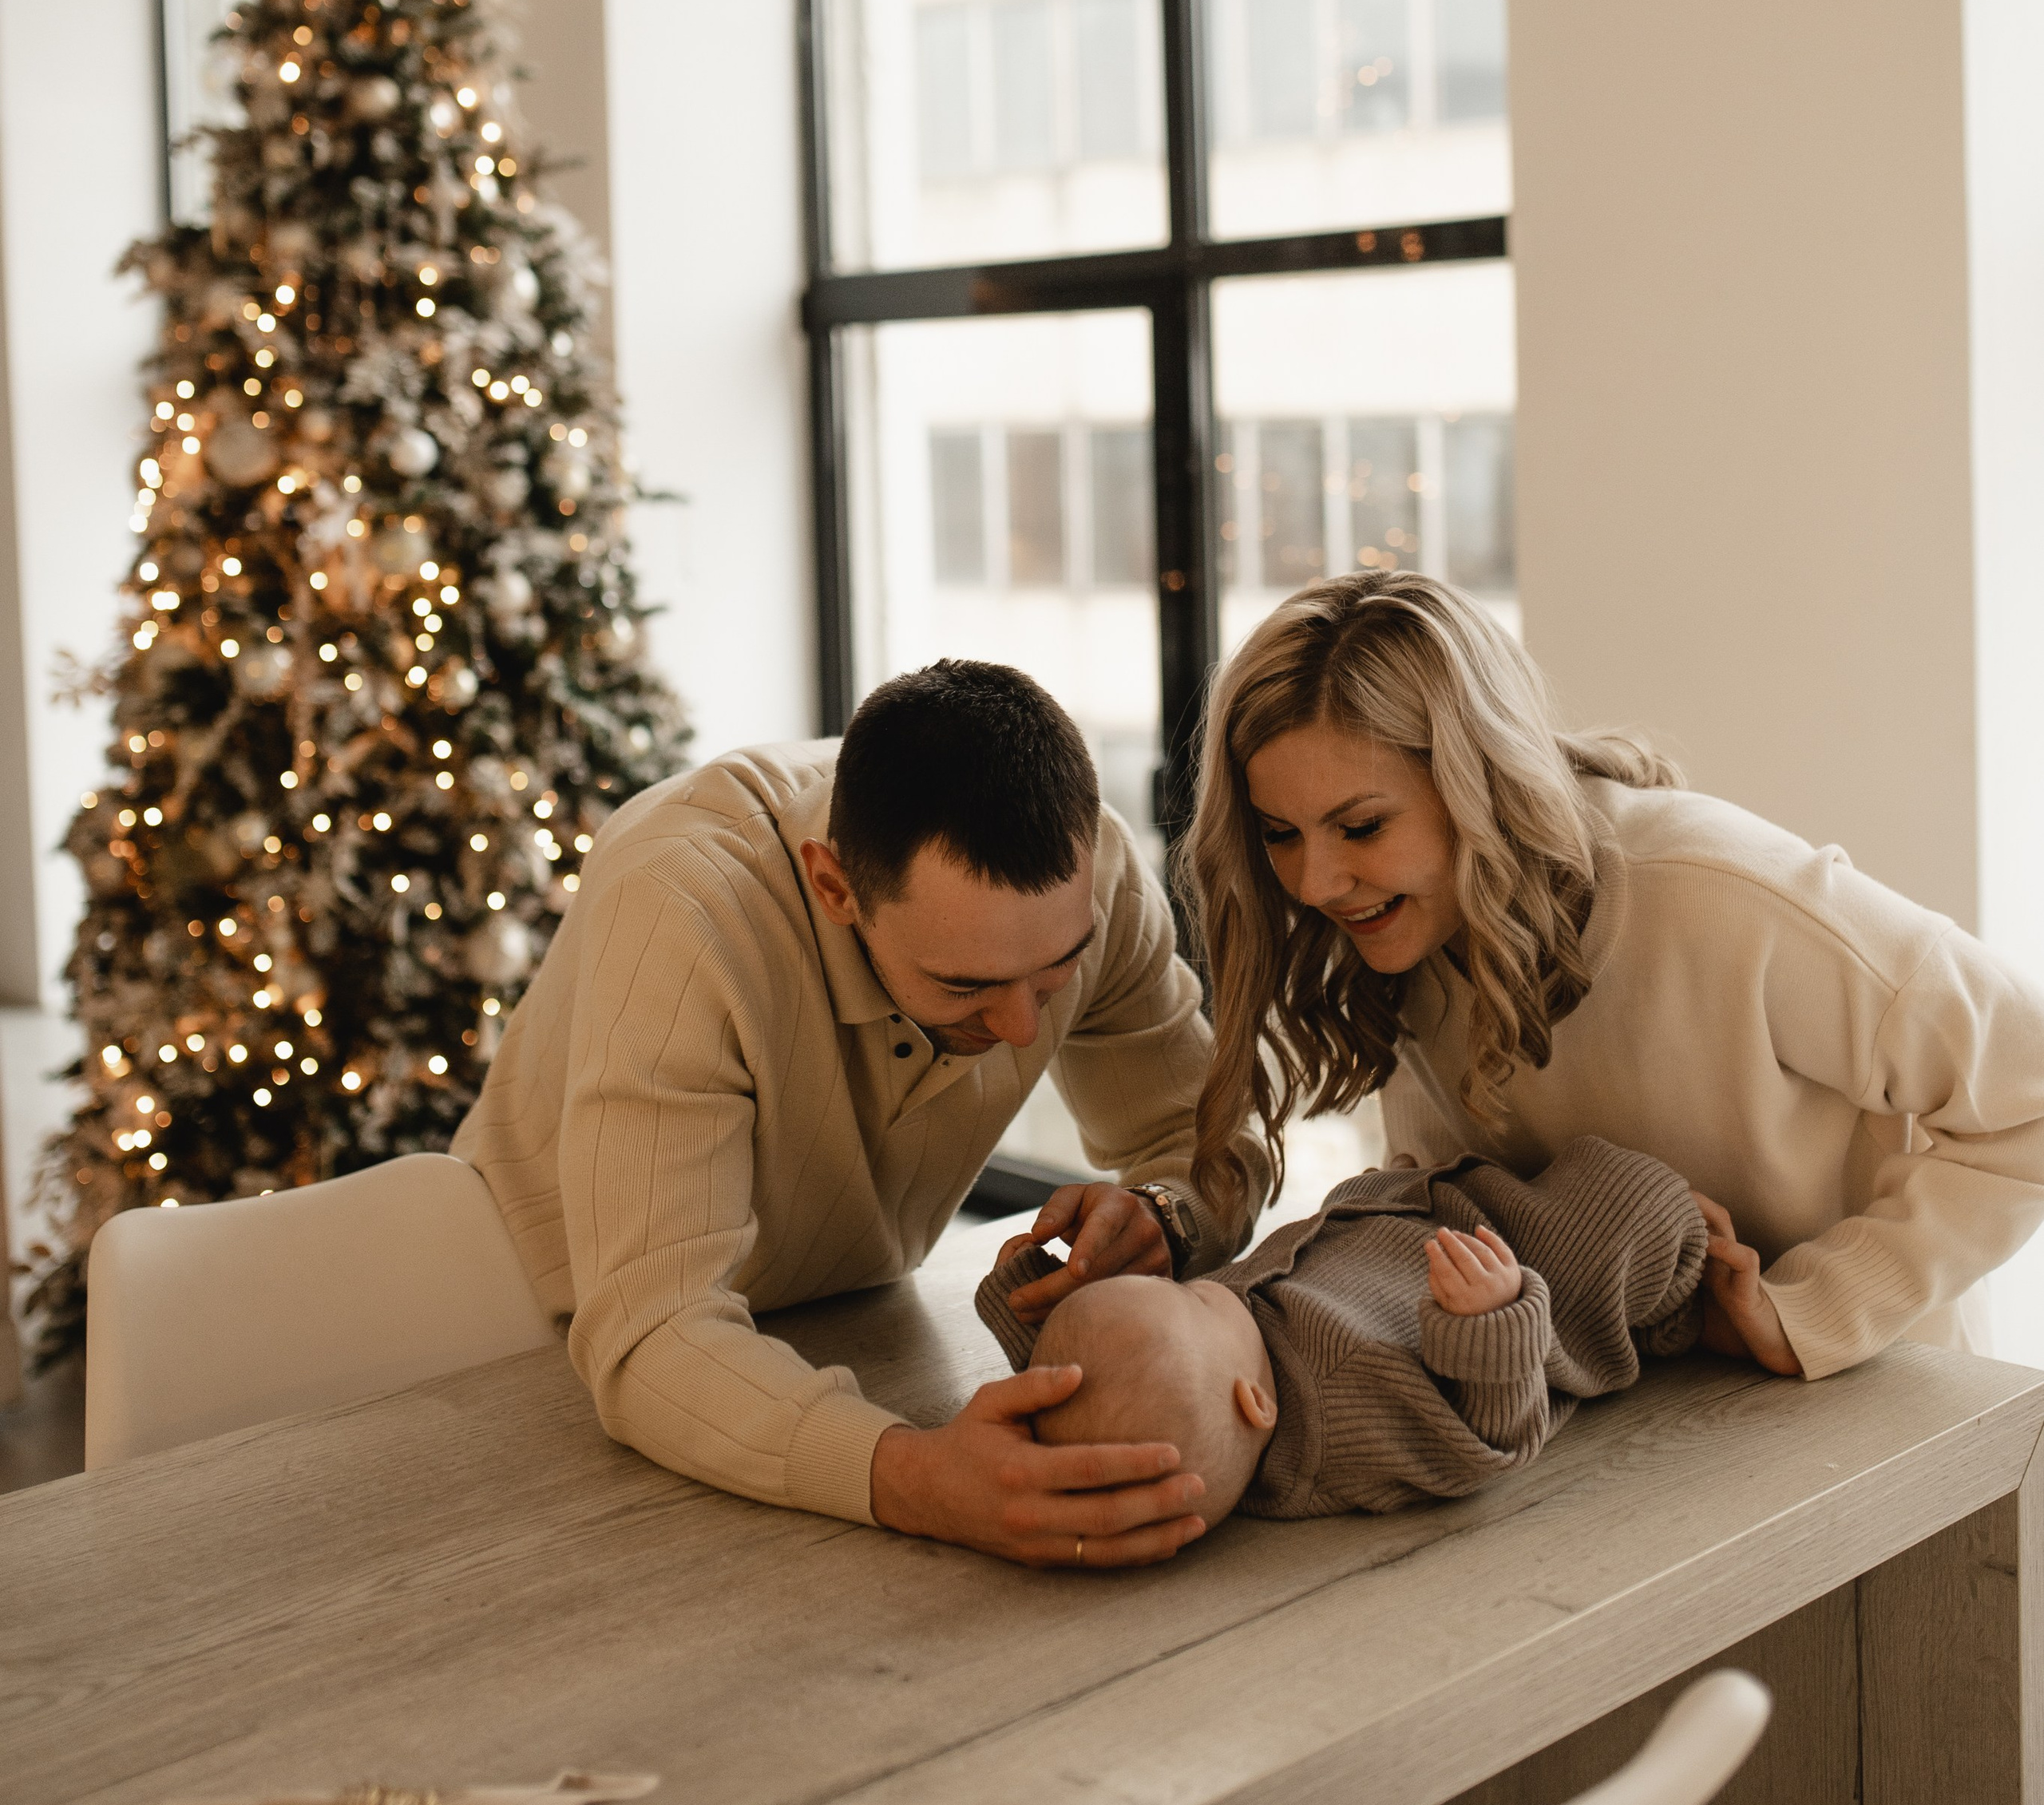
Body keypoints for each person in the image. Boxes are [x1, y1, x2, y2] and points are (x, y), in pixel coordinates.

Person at [455, 659, 1261, 1566]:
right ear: (834, 886)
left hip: (847, 1324)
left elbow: (1214, 1139)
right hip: (525, 1357)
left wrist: (1165, 1213)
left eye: (1057, 970)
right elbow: (652, 1332)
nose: (1021, 1026)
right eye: (966, 984)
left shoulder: (1095, 871)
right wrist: (918, 1477)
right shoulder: (676, 908)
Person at [1182, 571, 2044, 1383]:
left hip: (1871, 1412)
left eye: (1361, 826)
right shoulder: (1402, 929)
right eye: (1279, 833)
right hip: (1643, 1423)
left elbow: (2028, 1090)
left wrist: (1808, 1308)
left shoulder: (1725, 896)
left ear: (1473, 781)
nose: (1314, 883)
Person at [975, 1134, 1707, 1522]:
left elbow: (1077, 1392)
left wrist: (1028, 1297)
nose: (1205, 1289)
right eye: (1193, 1300)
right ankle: (1679, 1315)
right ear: (1254, 1404)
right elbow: (1486, 1443)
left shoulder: (1201, 1367)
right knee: (1633, 1199)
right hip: (1525, 1275)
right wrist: (1492, 1322)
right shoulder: (1341, 1422)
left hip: (1421, 1209)